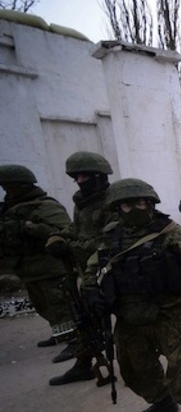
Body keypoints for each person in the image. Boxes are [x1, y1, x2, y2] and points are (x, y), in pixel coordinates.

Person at [83, 178, 181, 412]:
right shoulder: (112, 237)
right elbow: (93, 268)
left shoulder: (170, 233)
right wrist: (92, 293)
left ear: (150, 204)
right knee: (133, 367)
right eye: (126, 206)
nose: (133, 209)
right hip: (128, 315)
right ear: (117, 208)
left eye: (139, 203)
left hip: (167, 312)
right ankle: (162, 402)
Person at [45, 151, 116, 386]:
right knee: (85, 321)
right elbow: (75, 229)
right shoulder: (81, 204)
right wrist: (57, 238)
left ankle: (139, 364)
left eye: (83, 177)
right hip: (85, 272)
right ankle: (84, 364)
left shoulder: (112, 201)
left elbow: (111, 240)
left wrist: (73, 246)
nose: (79, 182)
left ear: (97, 176)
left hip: (109, 272)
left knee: (125, 319)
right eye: (76, 178)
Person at [0, 164, 77, 363]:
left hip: (50, 267)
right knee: (43, 306)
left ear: (21, 185)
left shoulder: (45, 206)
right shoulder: (9, 208)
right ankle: (60, 334)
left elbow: (64, 233)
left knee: (61, 306)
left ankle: (75, 342)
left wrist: (30, 228)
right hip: (27, 268)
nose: (7, 191)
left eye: (9, 186)